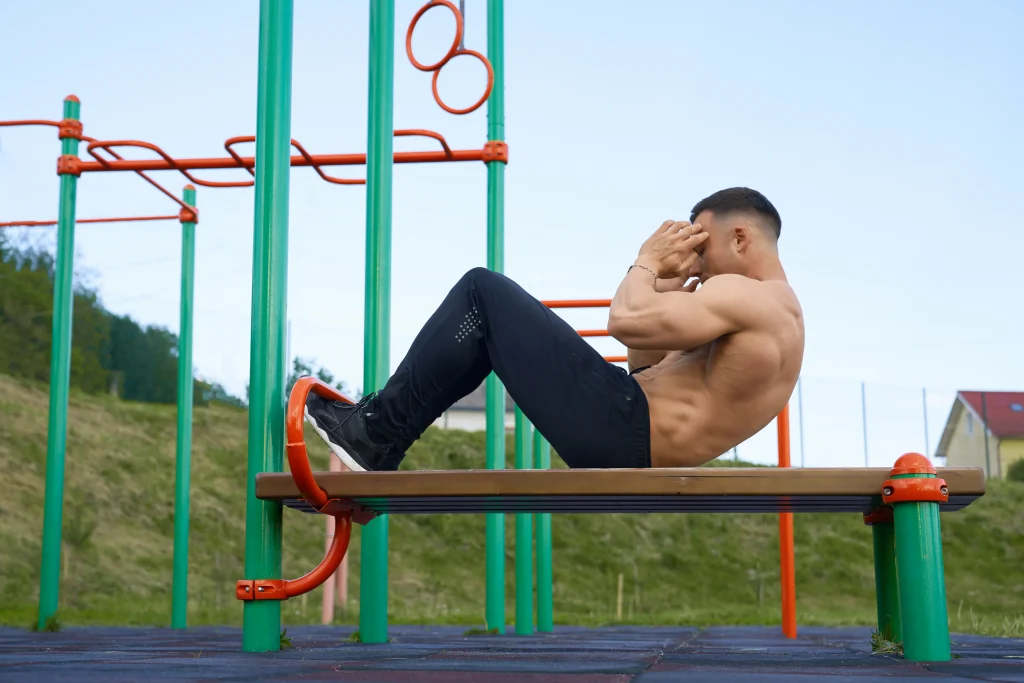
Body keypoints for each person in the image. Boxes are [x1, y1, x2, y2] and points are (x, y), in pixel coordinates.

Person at [304, 187, 804, 471]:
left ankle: (378, 435)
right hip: (632, 435)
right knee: (489, 322)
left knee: (483, 293)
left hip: (626, 427)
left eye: (703, 244)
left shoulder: (746, 295)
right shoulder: (772, 314)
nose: (698, 260)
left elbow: (622, 320)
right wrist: (670, 285)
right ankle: (380, 438)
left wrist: (647, 263)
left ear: (740, 237)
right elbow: (643, 352)